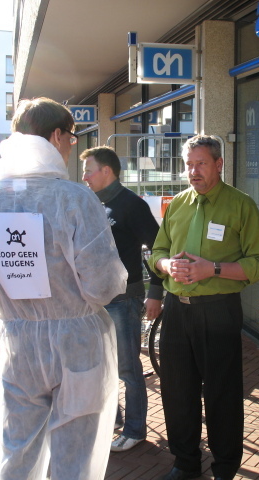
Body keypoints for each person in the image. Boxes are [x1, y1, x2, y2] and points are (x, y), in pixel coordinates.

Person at [0, 97, 127, 480]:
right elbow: (103, 283)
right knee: (74, 457)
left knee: (17, 450)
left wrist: (15, 303)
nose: (72, 145)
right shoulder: (74, 197)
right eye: (71, 137)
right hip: (78, 343)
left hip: (17, 343)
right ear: (55, 136)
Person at [148, 135, 259, 480]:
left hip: (219, 311)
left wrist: (212, 269)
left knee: (222, 395)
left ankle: (224, 468)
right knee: (177, 392)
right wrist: (166, 266)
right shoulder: (178, 204)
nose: (192, 171)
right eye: (188, 164)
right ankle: (185, 462)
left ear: (218, 164)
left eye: (200, 163)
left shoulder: (240, 205)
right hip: (177, 312)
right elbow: (157, 252)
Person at [81, 146, 163, 452]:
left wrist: (155, 292)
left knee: (128, 368)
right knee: (103, 366)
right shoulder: (92, 203)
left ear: (107, 171)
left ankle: (135, 429)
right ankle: (112, 420)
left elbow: (159, 248)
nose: (85, 176)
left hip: (124, 300)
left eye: (89, 170)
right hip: (96, 300)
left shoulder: (132, 205)